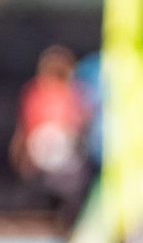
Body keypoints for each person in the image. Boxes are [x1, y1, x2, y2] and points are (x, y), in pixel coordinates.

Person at [11, 45, 91, 230]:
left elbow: (79, 123)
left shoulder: (73, 92)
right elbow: (27, 126)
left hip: (68, 157)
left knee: (70, 193)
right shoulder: (36, 92)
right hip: (45, 155)